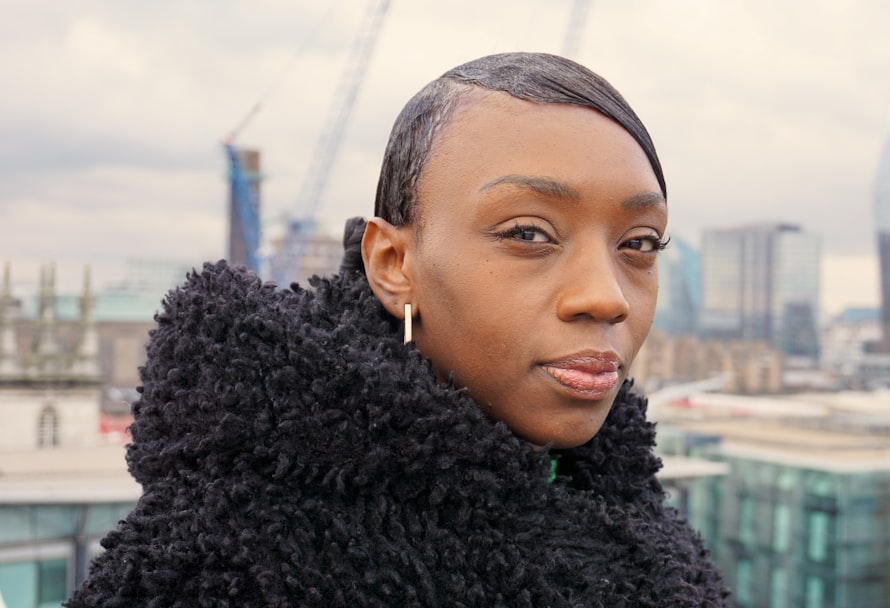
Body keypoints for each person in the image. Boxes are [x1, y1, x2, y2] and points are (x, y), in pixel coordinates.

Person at [67, 52, 728, 607]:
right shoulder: (221, 566)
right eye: (528, 233)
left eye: (640, 244)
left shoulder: (648, 528)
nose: (606, 297)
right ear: (392, 264)